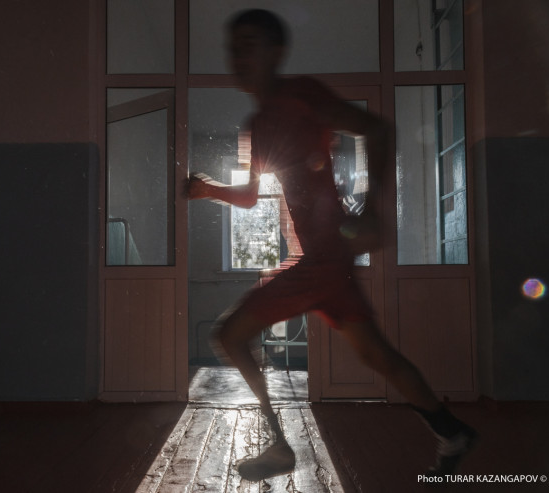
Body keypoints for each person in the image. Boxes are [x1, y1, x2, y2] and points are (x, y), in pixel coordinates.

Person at [185, 9, 476, 481]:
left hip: (323, 259)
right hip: (326, 261)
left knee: (229, 335)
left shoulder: (301, 95)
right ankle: (453, 431)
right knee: (376, 355)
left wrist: (374, 209)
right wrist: (208, 190)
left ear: (277, 52)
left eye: (249, 46)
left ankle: (278, 444)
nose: (238, 57)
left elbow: (378, 129)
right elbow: (251, 196)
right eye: (233, 48)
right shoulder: (258, 124)